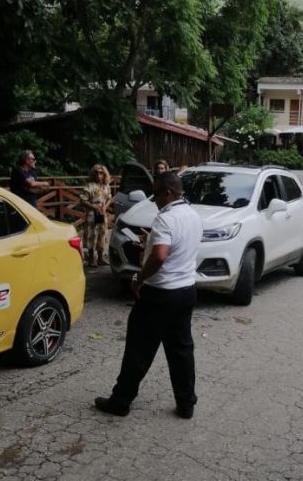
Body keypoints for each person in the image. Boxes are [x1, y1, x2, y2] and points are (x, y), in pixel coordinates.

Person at [94, 171, 203, 419]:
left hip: (160, 293)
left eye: (155, 194)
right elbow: (175, 248)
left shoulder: (166, 219)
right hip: (185, 290)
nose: (153, 199)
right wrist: (150, 242)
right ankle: (186, 403)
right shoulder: (192, 215)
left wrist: (138, 278)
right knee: (181, 350)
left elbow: (161, 256)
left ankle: (121, 401)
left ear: (168, 193)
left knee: (138, 349)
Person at [80, 164, 112, 267]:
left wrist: (105, 207)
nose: (99, 175)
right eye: (97, 173)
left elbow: (109, 198)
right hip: (92, 213)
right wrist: (94, 208)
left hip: (102, 213)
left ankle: (100, 258)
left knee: (102, 234)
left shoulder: (106, 186)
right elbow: (82, 200)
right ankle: (91, 259)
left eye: (101, 173)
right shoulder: (89, 186)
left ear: (104, 174)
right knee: (91, 235)